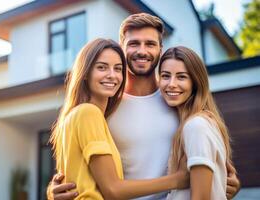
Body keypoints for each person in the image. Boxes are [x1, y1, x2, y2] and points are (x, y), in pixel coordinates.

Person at [48, 13, 240, 200]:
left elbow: (210, 160)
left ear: (160, 49)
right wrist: (53, 191)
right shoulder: (105, 104)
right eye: (133, 43)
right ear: (122, 48)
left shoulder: (177, 100)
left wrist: (228, 183)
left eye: (150, 44)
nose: (142, 51)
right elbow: (77, 165)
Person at [50, 38, 188, 200]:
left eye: (118, 69)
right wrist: (177, 180)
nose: (112, 75)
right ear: (85, 73)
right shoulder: (88, 113)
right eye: (102, 67)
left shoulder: (77, 116)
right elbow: (113, 190)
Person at [158, 46, 233, 200]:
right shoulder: (198, 122)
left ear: (195, 81)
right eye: (165, 76)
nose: (171, 84)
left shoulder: (197, 125)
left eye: (181, 77)